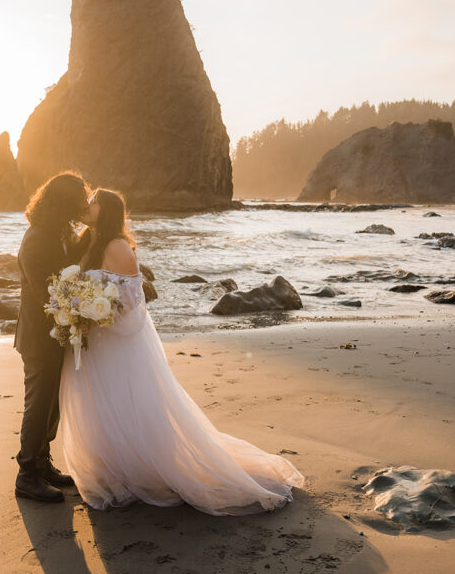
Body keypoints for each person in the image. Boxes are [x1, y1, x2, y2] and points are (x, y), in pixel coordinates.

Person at [58, 188, 305, 515]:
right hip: (95, 345)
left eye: (93, 202)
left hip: (116, 343)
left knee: (124, 404)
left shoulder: (118, 247)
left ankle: (139, 471)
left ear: (106, 210)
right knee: (100, 406)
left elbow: (133, 306)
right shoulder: (89, 243)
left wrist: (94, 316)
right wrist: (75, 311)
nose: (87, 206)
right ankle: (110, 470)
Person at [14, 171, 92, 502]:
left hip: (54, 334)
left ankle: (43, 464)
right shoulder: (37, 239)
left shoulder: (57, 232)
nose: (83, 206)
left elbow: (69, 266)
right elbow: (49, 290)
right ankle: (26, 474)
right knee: (38, 403)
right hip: (38, 336)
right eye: (79, 201)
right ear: (64, 202)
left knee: (53, 404)